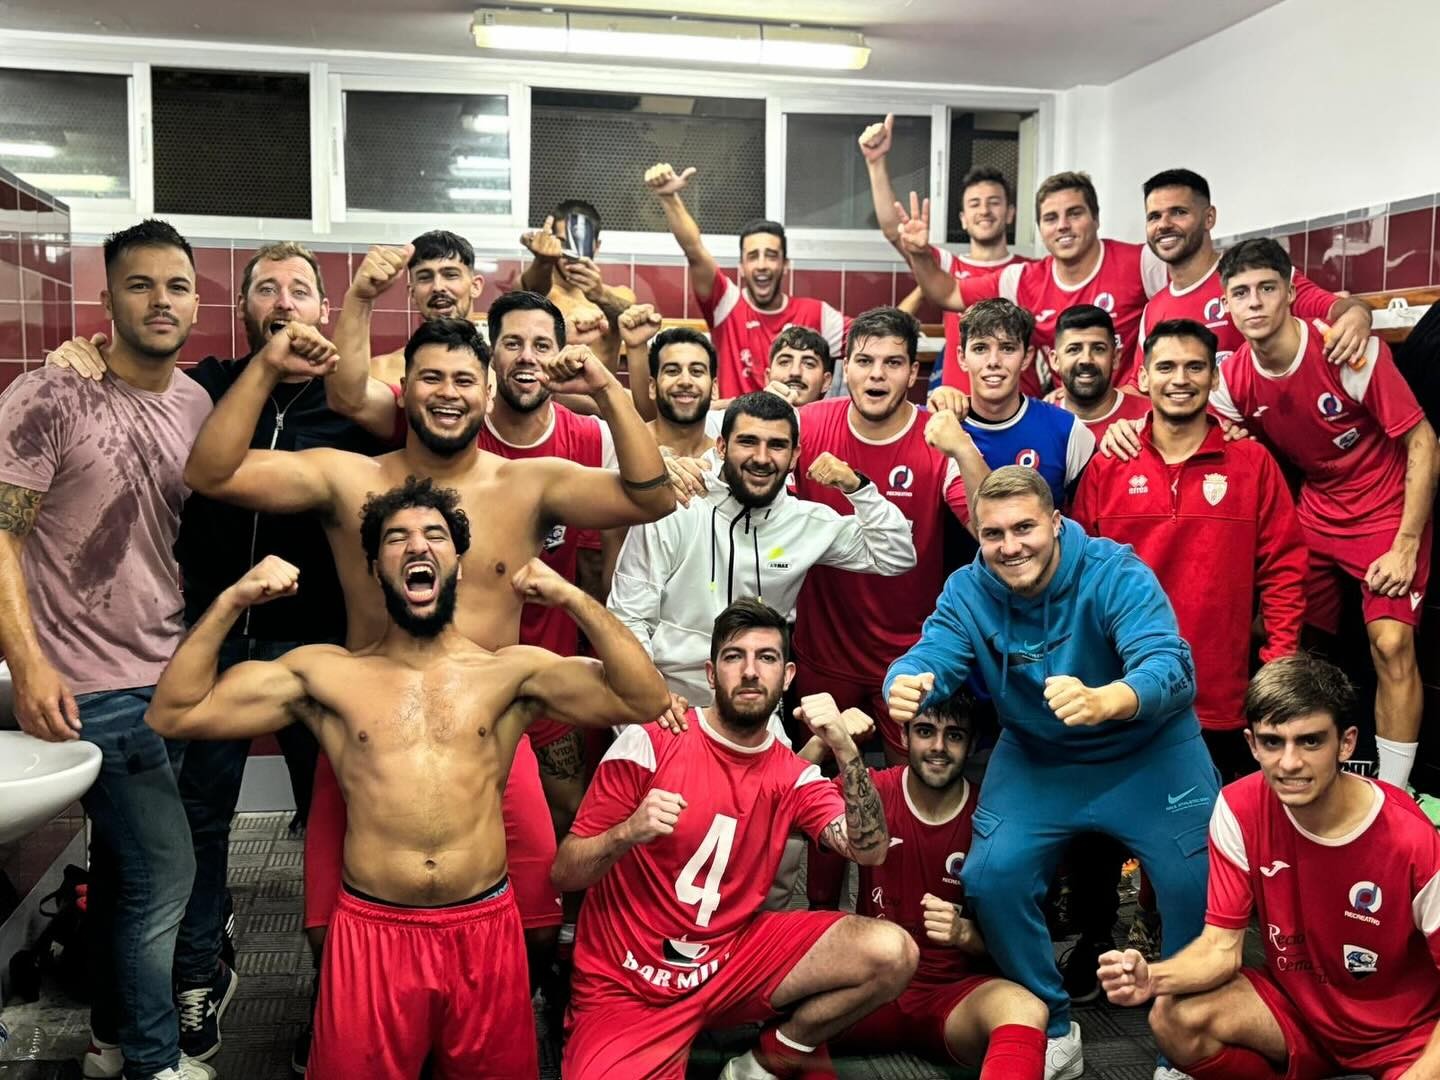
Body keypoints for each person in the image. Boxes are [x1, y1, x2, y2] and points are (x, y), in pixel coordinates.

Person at [179, 262, 673, 1043]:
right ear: (402, 391)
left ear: (487, 392)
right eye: (431, 378)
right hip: (370, 733)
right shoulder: (350, 479)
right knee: (330, 932)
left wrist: (610, 389)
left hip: (492, 732)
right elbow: (211, 472)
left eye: (464, 380)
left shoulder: (528, 483)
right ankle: (354, 1029)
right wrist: (268, 364)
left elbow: (652, 496)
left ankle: (477, 1030)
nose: (448, 393)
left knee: (536, 925)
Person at [144, 479, 671, 1076]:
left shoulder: (508, 674)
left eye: (435, 535)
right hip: (373, 933)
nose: (417, 546)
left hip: (483, 930)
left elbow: (644, 697)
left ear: (458, 565)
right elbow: (175, 712)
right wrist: (232, 600)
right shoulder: (327, 676)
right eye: (396, 538)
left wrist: (572, 598)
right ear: (375, 569)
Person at [44, 240, 393, 1069]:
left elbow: (420, 387)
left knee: (332, 819)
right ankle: (198, 977)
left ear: (322, 307)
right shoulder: (204, 388)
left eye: (300, 288)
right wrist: (77, 355)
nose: (284, 300)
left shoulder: (352, 402)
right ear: (240, 310)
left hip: (320, 639)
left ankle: (336, 994)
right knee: (199, 819)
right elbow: (131, 379)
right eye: (266, 288)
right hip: (209, 631)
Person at [885, 465, 1218, 1075]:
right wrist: (905, 680)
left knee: (1195, 882)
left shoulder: (1114, 572)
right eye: (993, 534)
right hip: (1041, 755)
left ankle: (1185, 1036)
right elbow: (935, 650)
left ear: (1057, 524)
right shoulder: (969, 589)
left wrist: (1108, 699)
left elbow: (1171, 665)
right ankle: (1053, 1022)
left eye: (1025, 528)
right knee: (993, 878)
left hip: (1149, 751)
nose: (1010, 546)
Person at [0, 220, 217, 1080]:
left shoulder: (196, 404)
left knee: (128, 873)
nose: (161, 301)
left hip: (170, 675)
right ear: (107, 300)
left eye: (176, 286)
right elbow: (1, 537)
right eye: (140, 284)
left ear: (195, 304)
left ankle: (109, 1040)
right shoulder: (49, 395)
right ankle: (155, 1062)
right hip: (91, 684)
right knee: (165, 873)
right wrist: (29, 663)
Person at [1110, 237, 1439, 790]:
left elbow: (1424, 440)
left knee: (1390, 644)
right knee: (1278, 627)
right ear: (1226, 305)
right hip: (1317, 509)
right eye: (1241, 293)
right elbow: (1180, 418)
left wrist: (1407, 544)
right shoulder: (1235, 377)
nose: (1255, 303)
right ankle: (1306, 762)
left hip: (1385, 509)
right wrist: (1126, 426)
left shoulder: (1344, 350)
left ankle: (1396, 791)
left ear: (1290, 293)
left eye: (1266, 289)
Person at [553, 599, 917, 1079]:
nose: (749, 671)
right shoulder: (653, 741)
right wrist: (627, 832)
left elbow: (869, 850)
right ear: (710, 673)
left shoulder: (792, 775)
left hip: (729, 962)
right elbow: (565, 871)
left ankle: (766, 1060)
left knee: (893, 952)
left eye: (766, 658)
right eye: (733, 657)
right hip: (630, 981)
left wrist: (846, 749)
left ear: (787, 677)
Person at [1071, 317, 1307, 974]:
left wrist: (1277, 666)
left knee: (1193, 834)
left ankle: (1178, 946)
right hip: (1117, 688)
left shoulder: (1251, 463)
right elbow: (1076, 573)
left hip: (1216, 692)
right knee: (1097, 824)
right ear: (1142, 376)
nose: (1180, 380)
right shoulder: (1110, 461)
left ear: (1214, 375)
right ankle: (1095, 938)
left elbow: (1284, 569)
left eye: (1195, 367)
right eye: (1167, 367)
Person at [1098, 654, 1440, 1080]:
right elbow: (1220, 949)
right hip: (1300, 1013)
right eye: (1273, 742)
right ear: (1252, 744)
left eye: (1310, 741)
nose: (1290, 763)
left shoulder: (1412, 837)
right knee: (1174, 1016)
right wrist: (1152, 977)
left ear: (1346, 743)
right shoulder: (1238, 808)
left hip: (1401, 1036)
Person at [608, 390, 917, 708]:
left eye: (777, 445)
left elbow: (895, 555)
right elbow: (629, 616)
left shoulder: (806, 522)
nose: (761, 457)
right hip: (672, 703)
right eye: (748, 442)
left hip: (757, 706)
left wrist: (857, 487)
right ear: (722, 446)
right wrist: (655, 697)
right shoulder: (679, 504)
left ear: (794, 456)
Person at [810, 692, 1050, 1078]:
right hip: (871, 988)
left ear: (972, 743)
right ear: (903, 736)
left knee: (1026, 1009)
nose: (938, 747)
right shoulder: (872, 790)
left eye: (954, 735)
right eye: (925, 731)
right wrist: (826, 740)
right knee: (781, 993)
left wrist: (964, 933)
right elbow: (778, 796)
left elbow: (1017, 947)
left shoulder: (990, 818)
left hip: (951, 996)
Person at [786, 307, 980, 764]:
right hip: (823, 652)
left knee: (909, 784)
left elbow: (984, 524)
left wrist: (964, 446)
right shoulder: (807, 425)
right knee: (812, 784)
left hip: (908, 657)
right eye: (864, 361)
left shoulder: (935, 438)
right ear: (846, 369)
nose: (876, 374)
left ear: (912, 373)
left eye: (892, 362)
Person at [898, 171, 1170, 394]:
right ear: (1041, 229)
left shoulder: (1141, 262)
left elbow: (1182, 317)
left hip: (1130, 420)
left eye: (1074, 213)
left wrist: (1134, 391)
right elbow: (948, 294)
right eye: (1051, 218)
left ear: (1096, 218)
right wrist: (919, 254)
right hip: (1068, 418)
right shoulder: (1022, 279)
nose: (1063, 225)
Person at [643, 162, 847, 398]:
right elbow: (694, 250)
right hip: (731, 420)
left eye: (771, 256)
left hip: (796, 421)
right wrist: (669, 198)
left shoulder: (817, 315)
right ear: (741, 268)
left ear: (785, 265)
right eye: (752, 256)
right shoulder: (726, 305)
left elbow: (876, 337)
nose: (761, 264)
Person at [858, 114, 1028, 391]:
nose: (984, 210)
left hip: (1019, 405)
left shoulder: (1028, 273)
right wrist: (875, 162)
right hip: (955, 404)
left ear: (1010, 213)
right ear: (963, 219)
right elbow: (893, 230)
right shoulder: (945, 269)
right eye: (975, 204)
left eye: (994, 202)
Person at [1137, 168, 1372, 364]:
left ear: (1209, 218)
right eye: (1154, 217)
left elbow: (1338, 308)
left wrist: (1358, 315)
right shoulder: (1153, 310)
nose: (1164, 225)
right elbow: (1140, 385)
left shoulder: (1255, 273)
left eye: (1179, 212)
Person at [945, 298, 1095, 509]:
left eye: (1007, 348)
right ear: (962, 357)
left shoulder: (1068, 431)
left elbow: (1087, 522)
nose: (993, 361)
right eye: (980, 348)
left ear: (1026, 357)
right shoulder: (943, 430)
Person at [518, 199, 637, 372]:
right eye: (563, 243)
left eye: (581, 242)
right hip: (548, 388)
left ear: (596, 246)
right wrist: (543, 261)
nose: (571, 254)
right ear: (552, 243)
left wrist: (601, 296)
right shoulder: (536, 291)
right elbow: (532, 290)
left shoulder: (619, 295)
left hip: (602, 390)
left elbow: (634, 317)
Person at [367, 230, 486, 386]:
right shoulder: (382, 372)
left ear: (475, 286)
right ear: (412, 293)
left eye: (450, 275)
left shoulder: (501, 370)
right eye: (425, 277)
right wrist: (360, 299)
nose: (437, 287)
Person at [1048, 304, 1151, 439]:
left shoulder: (1151, 418)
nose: (1086, 360)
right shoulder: (1037, 424)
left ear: (1115, 358)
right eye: (1074, 349)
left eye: (1098, 349)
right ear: (1055, 360)